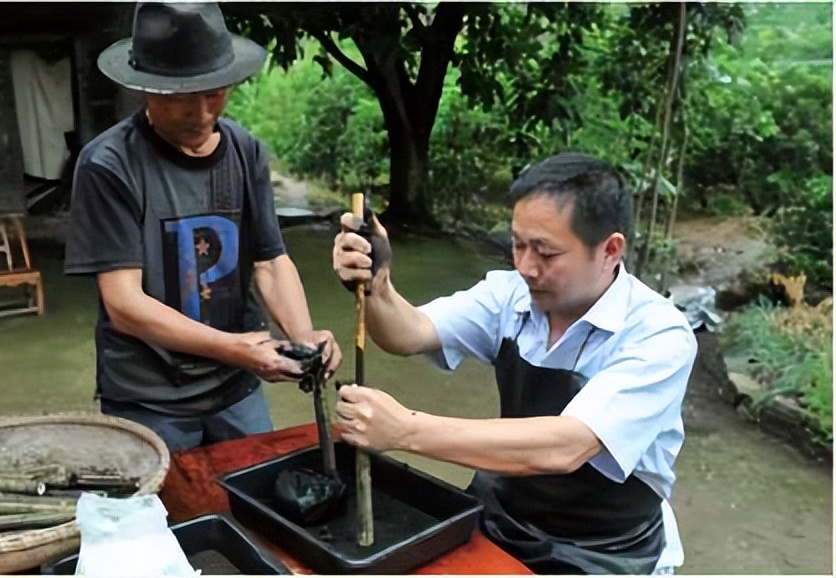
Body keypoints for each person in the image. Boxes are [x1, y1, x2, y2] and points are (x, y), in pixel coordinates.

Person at [331, 152, 697, 574]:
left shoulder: (658, 333)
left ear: (610, 250)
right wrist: (378, 286)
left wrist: (405, 429)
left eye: (545, 252)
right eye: (519, 244)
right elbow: (409, 333)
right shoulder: (510, 296)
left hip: (604, 546)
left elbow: (569, 445)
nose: (525, 266)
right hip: (506, 515)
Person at [65, 2, 341, 453]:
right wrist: (235, 348)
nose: (200, 112)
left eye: (214, 92)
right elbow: (124, 304)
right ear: (146, 90)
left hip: (236, 389)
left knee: (252, 504)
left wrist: (303, 338)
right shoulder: (109, 164)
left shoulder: (245, 151)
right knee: (165, 519)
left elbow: (270, 262)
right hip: (150, 397)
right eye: (180, 96)